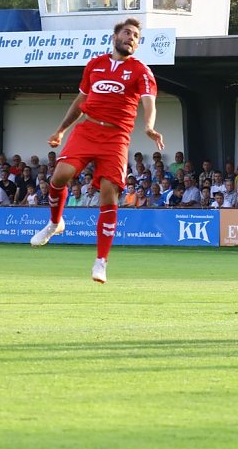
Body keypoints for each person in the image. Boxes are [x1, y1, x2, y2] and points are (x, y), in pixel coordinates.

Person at [29, 18, 164, 284]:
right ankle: (55, 223)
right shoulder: (95, 65)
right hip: (87, 129)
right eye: (127, 33)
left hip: (116, 136)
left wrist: (149, 126)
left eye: (136, 36)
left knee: (108, 194)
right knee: (60, 175)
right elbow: (81, 101)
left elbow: (149, 101)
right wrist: (61, 130)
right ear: (114, 37)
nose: (132, 38)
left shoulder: (141, 71)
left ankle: (101, 260)